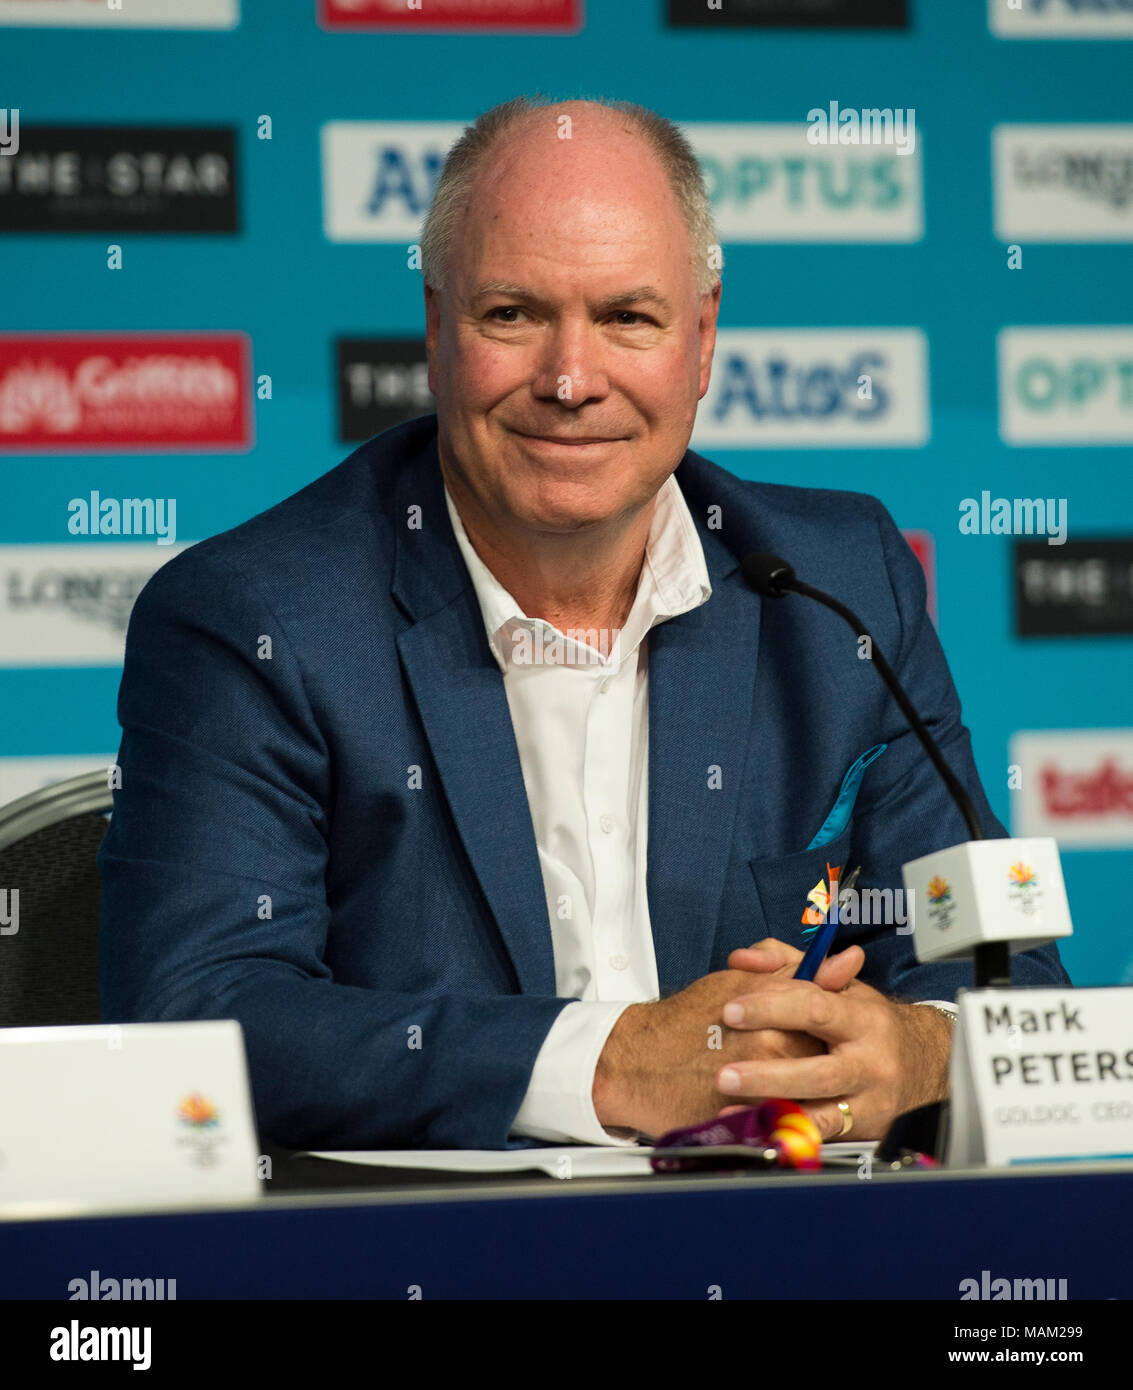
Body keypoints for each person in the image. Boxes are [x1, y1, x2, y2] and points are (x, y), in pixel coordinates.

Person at [98, 96, 1069, 1151]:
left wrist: (913, 1052)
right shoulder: (256, 618)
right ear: (434, 329)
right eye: (510, 315)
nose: (570, 379)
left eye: (626, 318)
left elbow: (999, 964)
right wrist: (607, 1063)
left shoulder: (841, 589)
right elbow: (198, 1011)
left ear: (700, 341)